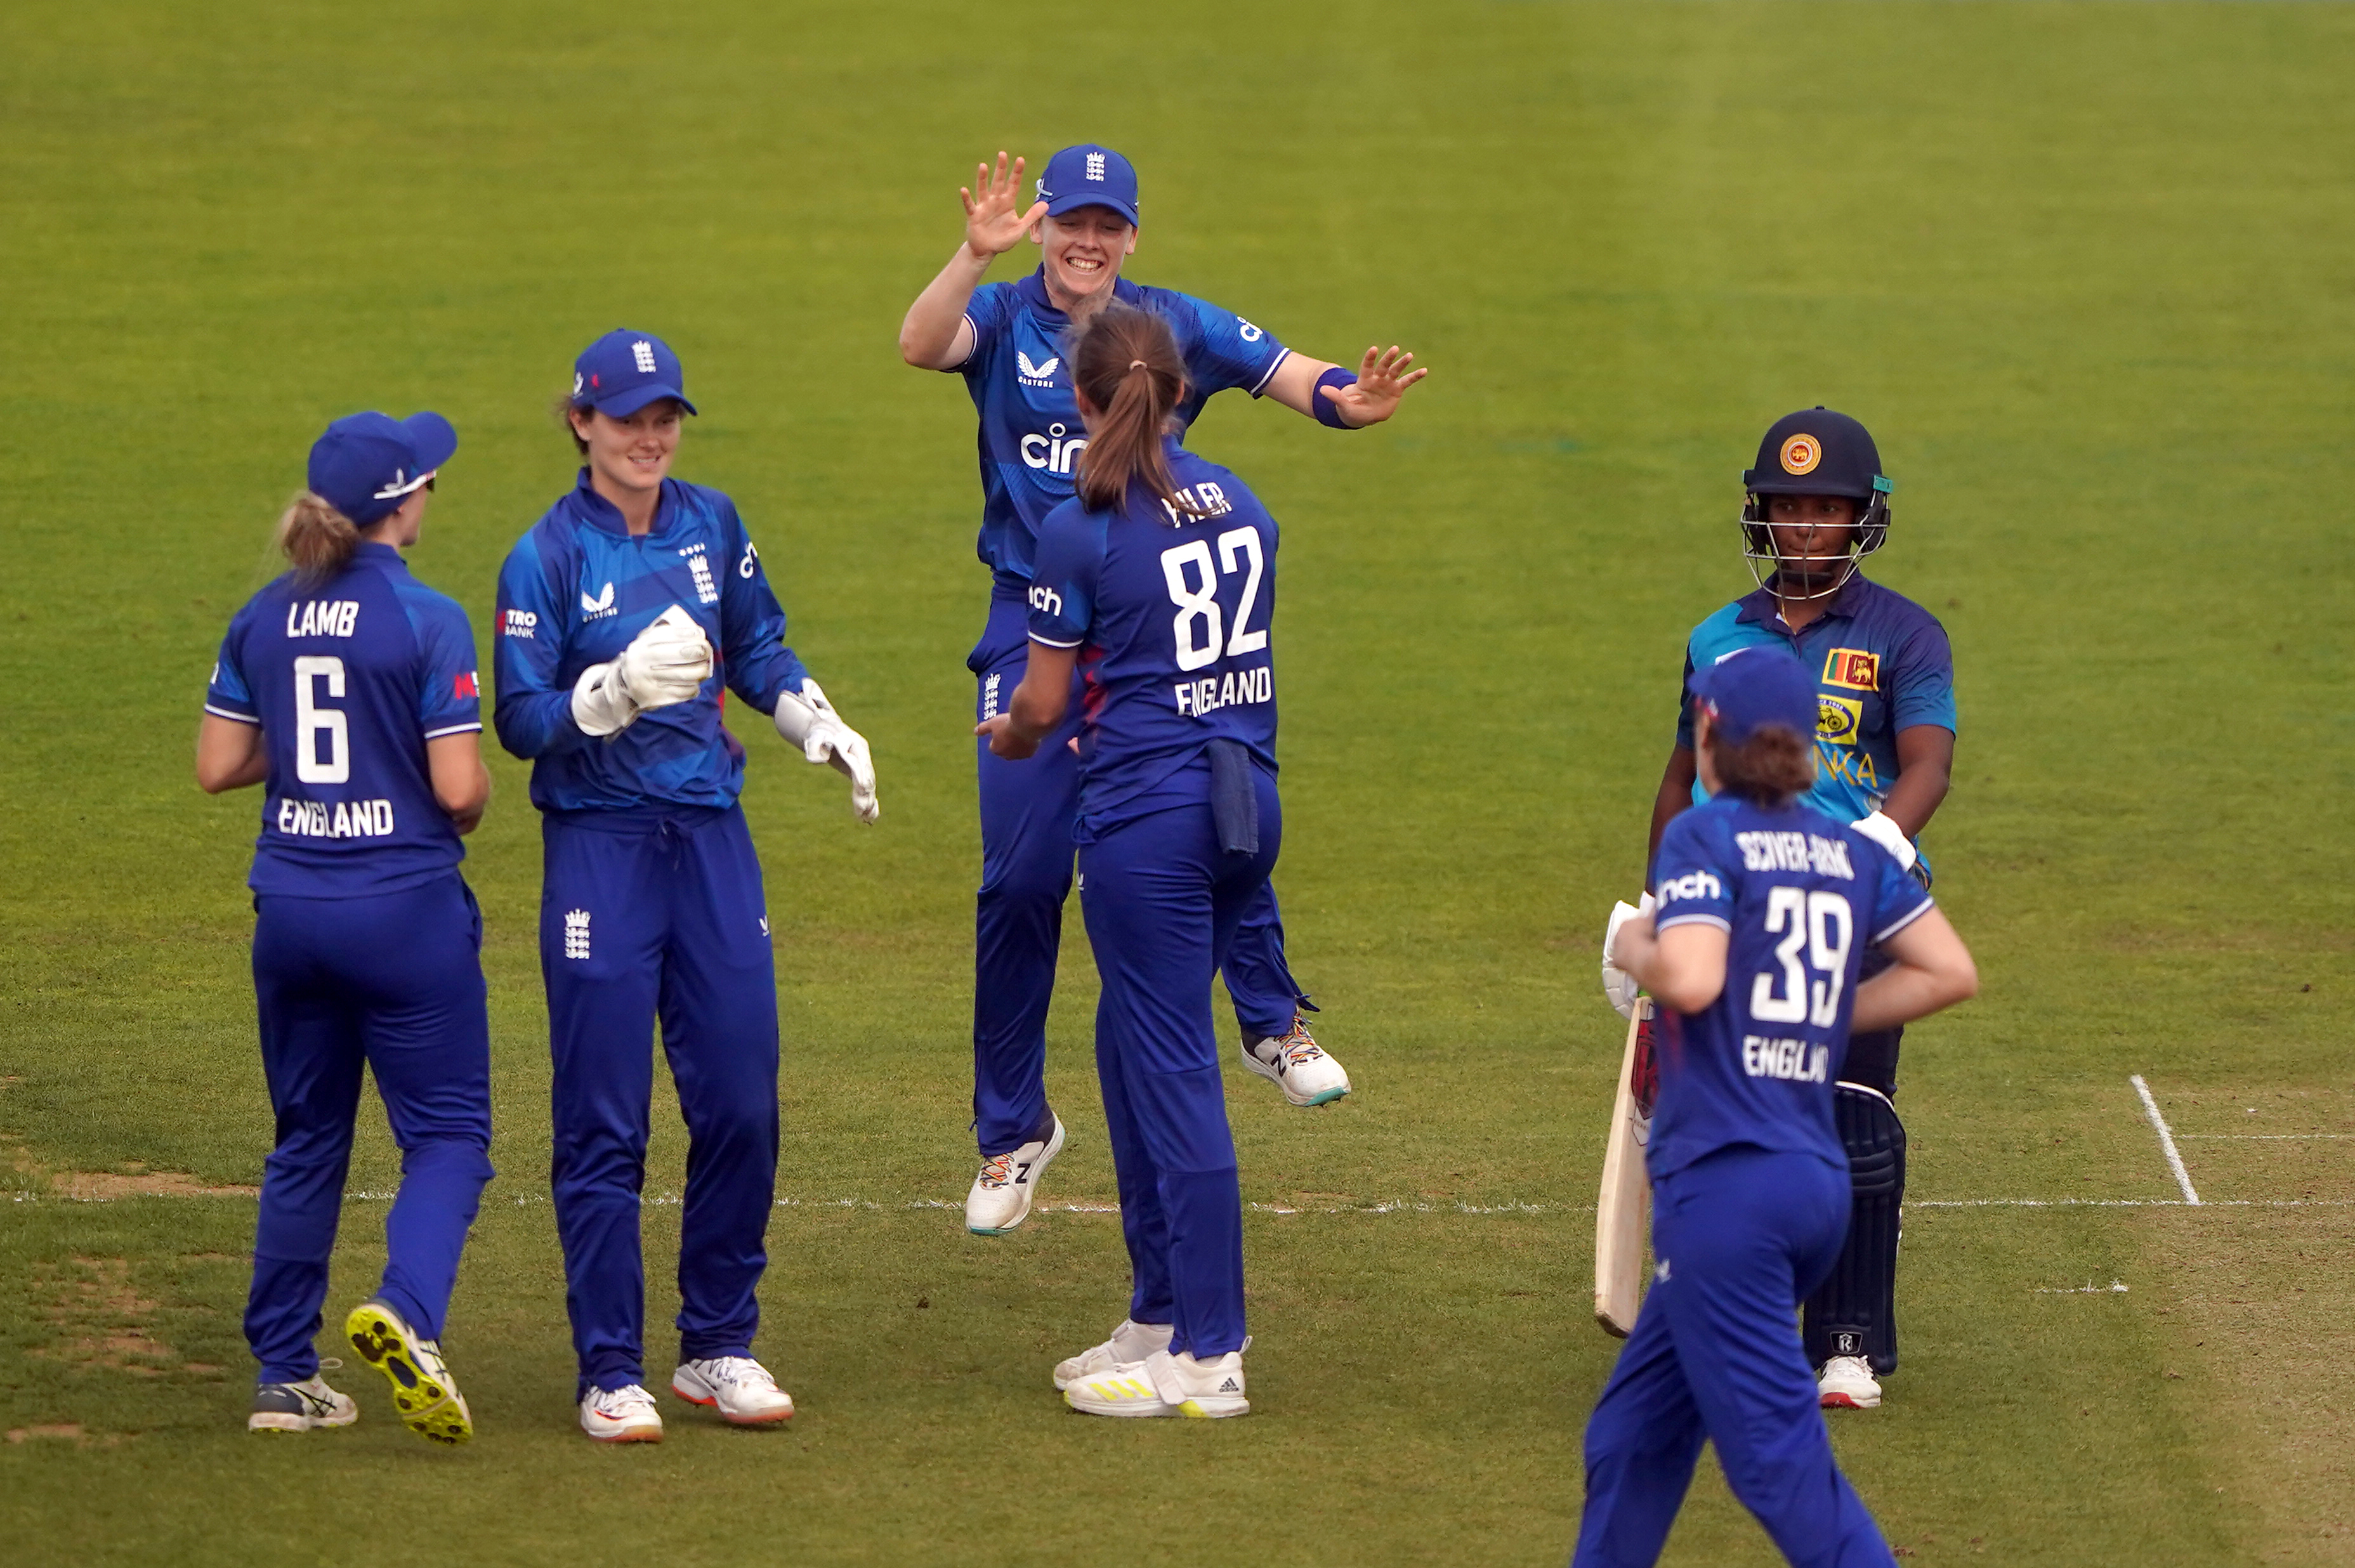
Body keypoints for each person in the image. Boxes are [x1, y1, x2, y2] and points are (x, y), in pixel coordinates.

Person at [901, 145, 1426, 1234]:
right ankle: (1013, 1131)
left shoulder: (1167, 323)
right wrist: (969, 251)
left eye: (1108, 224)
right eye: (1069, 223)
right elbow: (919, 344)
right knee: (1022, 878)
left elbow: (1297, 378)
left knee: (1197, 810)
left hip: (1146, 610)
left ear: (1132, 236)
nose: (1087, 242)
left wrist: (1356, 398)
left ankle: (1272, 1019)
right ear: (1042, 226)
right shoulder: (999, 318)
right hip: (1034, 608)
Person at [493, 329, 878, 1443]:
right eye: (628, 420)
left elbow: (757, 647)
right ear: (582, 423)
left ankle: (718, 1346)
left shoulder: (713, 521)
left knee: (744, 1103)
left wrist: (816, 720)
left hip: (711, 840)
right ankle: (610, 1370)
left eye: (665, 418)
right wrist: (609, 691)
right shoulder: (545, 558)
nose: (651, 437)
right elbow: (522, 721)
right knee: (605, 1120)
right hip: (601, 852)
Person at [1578, 646, 1978, 1566]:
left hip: (1727, 1197)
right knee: (1632, 1438)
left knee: (1778, 1473)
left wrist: (1636, 945)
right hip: (1811, 1187)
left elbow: (1691, 973)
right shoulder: (1847, 849)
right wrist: (1828, 1013)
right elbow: (1950, 973)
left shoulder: (1704, 836)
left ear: (1709, 732)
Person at [1605, 407, 1956, 1411]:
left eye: (1826, 509)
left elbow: (1928, 762)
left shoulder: (1905, 635)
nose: (1804, 526)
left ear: (1862, 521)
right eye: (1788, 507)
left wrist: (1880, 846)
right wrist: (1658, 904)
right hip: (1732, 907)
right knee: (1725, 1119)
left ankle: (1845, 1342)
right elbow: (1679, 778)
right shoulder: (1717, 635)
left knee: (1853, 1120)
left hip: (1853, 913)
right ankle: (1727, 1317)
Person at [977, 304, 1282, 1418]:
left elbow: (1044, 708)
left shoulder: (1081, 526)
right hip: (1244, 808)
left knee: (1174, 1076)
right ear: (1183, 396)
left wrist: (1006, 734)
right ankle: (1158, 1315)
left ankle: (1209, 1356)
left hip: (1148, 827)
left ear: (1083, 399)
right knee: (1129, 1050)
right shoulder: (1243, 502)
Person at [198, 410, 494, 1444]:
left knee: (308, 1140)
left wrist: (339, 758)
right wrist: (450, 777)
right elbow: (458, 790)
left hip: (290, 911)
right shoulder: (427, 617)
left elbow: (218, 765)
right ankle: (407, 1315)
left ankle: (284, 1376)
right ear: (403, 504)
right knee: (449, 1136)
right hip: (402, 914)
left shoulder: (260, 616)